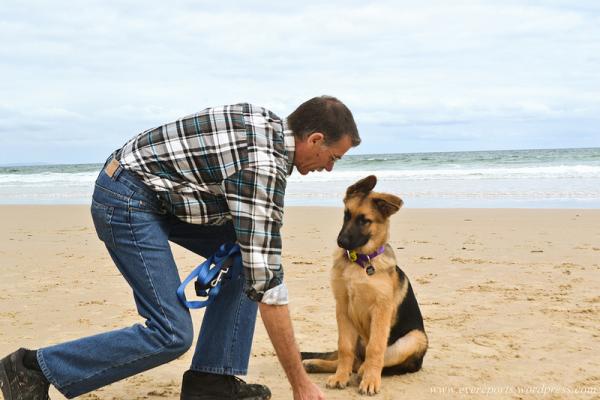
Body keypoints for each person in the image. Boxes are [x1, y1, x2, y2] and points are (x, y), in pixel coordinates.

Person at [0, 96, 361, 400]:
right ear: (314, 139)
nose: (329, 169)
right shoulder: (263, 166)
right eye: (334, 157)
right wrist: (300, 384)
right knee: (171, 332)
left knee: (243, 259)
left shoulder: (267, 125)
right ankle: (33, 367)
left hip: (158, 193)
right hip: (126, 199)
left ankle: (211, 381)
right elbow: (268, 284)